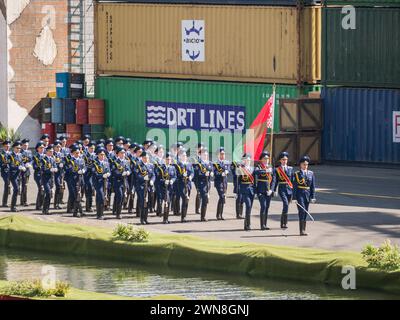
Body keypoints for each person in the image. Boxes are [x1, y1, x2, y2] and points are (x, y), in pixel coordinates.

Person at [293, 156, 316, 236]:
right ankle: (301, 231)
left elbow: (313, 186)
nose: (305, 166)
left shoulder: (311, 173)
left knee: (305, 212)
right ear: (300, 165)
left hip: (307, 195)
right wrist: (294, 198)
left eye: (306, 164)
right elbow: (295, 186)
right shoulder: (297, 174)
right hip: (300, 195)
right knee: (302, 211)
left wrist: (313, 197)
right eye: (303, 164)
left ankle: (304, 230)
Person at [254, 151, 275, 230]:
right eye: (265, 159)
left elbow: (274, 179)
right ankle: (262, 225)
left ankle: (265, 224)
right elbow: (256, 172)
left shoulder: (270, 167)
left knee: (267, 207)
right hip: (261, 190)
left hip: (268, 190)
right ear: (261, 159)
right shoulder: (259, 166)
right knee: (263, 206)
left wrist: (272, 190)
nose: (266, 160)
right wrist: (265, 171)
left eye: (267, 159)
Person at [273, 152, 294, 229]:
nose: (284, 161)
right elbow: (275, 180)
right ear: (280, 160)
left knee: (286, 206)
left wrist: (294, 193)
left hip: (289, 189)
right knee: (285, 204)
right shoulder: (277, 169)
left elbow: (293, 181)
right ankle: (283, 223)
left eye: (286, 159)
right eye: (283, 159)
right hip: (282, 189)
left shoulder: (290, 169)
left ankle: (284, 222)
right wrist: (274, 190)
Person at [64, 144, 86, 217]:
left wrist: (83, 170)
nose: (78, 154)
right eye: (76, 153)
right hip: (73, 180)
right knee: (77, 196)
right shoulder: (71, 161)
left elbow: (85, 167)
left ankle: (75, 213)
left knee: (78, 196)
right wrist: (77, 172)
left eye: (79, 152)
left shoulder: (81, 160)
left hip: (81, 179)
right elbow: (70, 170)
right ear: (72, 153)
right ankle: (81, 211)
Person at [110, 146, 131, 219]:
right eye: (121, 153)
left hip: (125, 182)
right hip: (117, 182)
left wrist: (128, 172)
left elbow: (129, 169)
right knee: (120, 196)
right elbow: (114, 171)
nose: (123, 154)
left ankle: (116, 210)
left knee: (122, 197)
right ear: (117, 154)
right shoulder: (115, 162)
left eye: (124, 153)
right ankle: (118, 214)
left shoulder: (126, 161)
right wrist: (121, 174)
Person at [135, 151, 155, 224]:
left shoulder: (151, 165)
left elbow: (153, 175)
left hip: (149, 186)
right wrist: (144, 178)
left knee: (148, 202)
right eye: (144, 158)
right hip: (142, 186)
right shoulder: (138, 165)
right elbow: (137, 175)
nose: (146, 159)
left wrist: (152, 180)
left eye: (147, 158)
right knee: (143, 202)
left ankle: (146, 219)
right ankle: (142, 219)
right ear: (142, 158)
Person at [193, 148, 212, 222]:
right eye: (204, 155)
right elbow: (197, 174)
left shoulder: (209, 163)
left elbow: (211, 170)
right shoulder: (198, 163)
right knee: (204, 198)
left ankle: (203, 215)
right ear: (200, 155)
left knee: (206, 199)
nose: (206, 156)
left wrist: (211, 173)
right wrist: (204, 174)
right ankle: (202, 217)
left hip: (208, 183)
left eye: (206, 155)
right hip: (201, 183)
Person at [173, 149, 193, 223]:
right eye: (183, 156)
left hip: (188, 184)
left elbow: (192, 172)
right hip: (181, 184)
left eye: (185, 156)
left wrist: (190, 176)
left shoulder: (189, 164)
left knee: (186, 200)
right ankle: (183, 217)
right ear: (180, 156)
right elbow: (175, 174)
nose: (184, 157)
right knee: (184, 198)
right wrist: (182, 175)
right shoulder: (177, 165)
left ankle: (184, 215)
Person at [237, 153, 255, 231]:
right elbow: (238, 181)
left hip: (251, 190)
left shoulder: (253, 169)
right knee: (248, 206)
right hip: (244, 189)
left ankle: (246, 224)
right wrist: (237, 192)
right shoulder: (240, 168)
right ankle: (248, 225)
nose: (248, 161)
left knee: (250, 208)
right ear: (244, 160)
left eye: (249, 160)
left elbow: (255, 180)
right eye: (246, 160)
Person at [92, 147, 111, 220]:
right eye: (101, 155)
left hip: (105, 182)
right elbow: (95, 173)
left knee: (102, 197)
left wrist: (108, 174)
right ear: (97, 155)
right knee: (101, 196)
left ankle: (101, 214)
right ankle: (99, 214)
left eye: (103, 155)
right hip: (98, 182)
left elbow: (109, 171)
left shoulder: (106, 163)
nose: (102, 156)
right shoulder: (95, 163)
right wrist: (102, 175)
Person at [213, 147, 230, 220]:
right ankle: (218, 215)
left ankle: (220, 214)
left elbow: (228, 169)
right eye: (221, 154)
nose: (223, 155)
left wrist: (227, 172)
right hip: (218, 182)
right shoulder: (215, 163)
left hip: (225, 182)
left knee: (223, 197)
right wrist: (220, 174)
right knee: (222, 196)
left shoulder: (226, 162)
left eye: (223, 154)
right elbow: (214, 172)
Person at [8, 141, 24, 212]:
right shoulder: (10, 155)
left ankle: (14, 205)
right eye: (17, 148)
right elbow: (10, 165)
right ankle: (13, 207)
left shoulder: (20, 155)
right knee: (16, 189)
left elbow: (21, 162)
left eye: (20, 148)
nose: (19, 149)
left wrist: (23, 166)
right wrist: (18, 167)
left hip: (18, 175)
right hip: (12, 175)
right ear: (14, 148)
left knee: (17, 190)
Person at [41, 144, 57, 215]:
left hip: (51, 178)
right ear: (47, 152)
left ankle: (47, 209)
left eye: (52, 151)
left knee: (50, 194)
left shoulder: (52, 159)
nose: (52, 152)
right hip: (45, 178)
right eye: (50, 151)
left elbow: (55, 166)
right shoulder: (43, 159)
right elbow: (43, 169)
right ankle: (45, 209)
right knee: (47, 193)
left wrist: (56, 169)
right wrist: (50, 170)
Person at [83, 141, 96, 212]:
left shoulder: (95, 156)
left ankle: (89, 206)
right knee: (89, 190)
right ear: (88, 148)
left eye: (93, 148)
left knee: (91, 191)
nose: (92, 149)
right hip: (87, 176)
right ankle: (88, 207)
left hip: (94, 176)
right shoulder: (84, 156)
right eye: (91, 148)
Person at [32, 142, 45, 210]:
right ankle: (38, 205)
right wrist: (40, 166)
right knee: (41, 189)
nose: (42, 149)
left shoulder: (45, 156)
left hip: (45, 175)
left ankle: (41, 204)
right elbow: (34, 166)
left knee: (44, 189)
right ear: (37, 149)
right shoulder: (35, 157)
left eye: (43, 147)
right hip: (38, 175)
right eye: (41, 148)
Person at [20, 139, 32, 207]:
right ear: (22, 146)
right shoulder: (20, 152)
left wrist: (29, 163)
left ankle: (24, 201)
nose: (26, 147)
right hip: (20, 171)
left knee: (25, 186)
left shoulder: (29, 152)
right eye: (24, 145)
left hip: (27, 172)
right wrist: (23, 165)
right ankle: (22, 201)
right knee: (20, 186)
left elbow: (31, 159)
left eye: (27, 145)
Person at [53, 140, 65, 209]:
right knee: (56, 187)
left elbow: (64, 161)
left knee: (59, 188)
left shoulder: (61, 154)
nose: (58, 148)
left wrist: (62, 164)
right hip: (54, 173)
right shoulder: (52, 154)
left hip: (60, 173)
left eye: (59, 147)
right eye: (57, 147)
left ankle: (57, 203)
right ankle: (55, 204)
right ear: (54, 147)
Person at [193, 142, 204, 215]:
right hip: (196, 177)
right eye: (200, 148)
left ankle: (200, 207)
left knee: (203, 192)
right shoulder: (193, 158)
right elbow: (194, 168)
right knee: (199, 192)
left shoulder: (203, 157)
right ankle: (197, 209)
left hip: (203, 178)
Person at [1, 139, 11, 207]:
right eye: (6, 146)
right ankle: (4, 202)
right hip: (4, 171)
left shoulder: (11, 153)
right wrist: (4, 164)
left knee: (9, 186)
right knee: (7, 184)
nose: (7, 147)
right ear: (4, 146)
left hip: (11, 172)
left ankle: (6, 201)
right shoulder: (1, 154)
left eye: (8, 146)